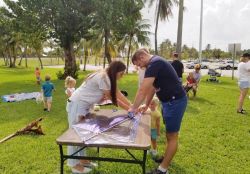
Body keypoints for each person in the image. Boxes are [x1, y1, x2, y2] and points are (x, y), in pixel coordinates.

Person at [66, 61, 131, 173]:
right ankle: (74, 165)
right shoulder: (104, 77)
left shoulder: (106, 77)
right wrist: (130, 109)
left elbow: (118, 93)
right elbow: (114, 97)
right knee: (75, 134)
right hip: (77, 105)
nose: (122, 75)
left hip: (84, 106)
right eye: (122, 73)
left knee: (82, 134)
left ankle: (83, 160)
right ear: (116, 71)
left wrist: (132, 106)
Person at [129, 49, 187, 174]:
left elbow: (142, 90)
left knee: (172, 136)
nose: (140, 67)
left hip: (175, 102)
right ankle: (165, 158)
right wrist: (146, 104)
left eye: (139, 64)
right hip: (169, 102)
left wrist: (133, 108)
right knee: (169, 135)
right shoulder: (154, 64)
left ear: (142, 57)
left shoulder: (154, 63)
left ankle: (163, 169)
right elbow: (152, 87)